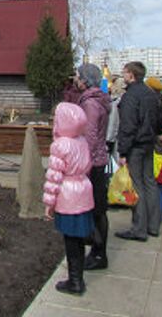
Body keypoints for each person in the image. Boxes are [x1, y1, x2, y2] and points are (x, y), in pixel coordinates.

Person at [43, 102, 95, 295]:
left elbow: (53, 177)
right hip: (83, 191)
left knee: (70, 240)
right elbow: (88, 165)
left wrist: (48, 204)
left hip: (67, 196)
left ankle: (75, 281)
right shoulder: (82, 141)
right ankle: (77, 277)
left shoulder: (60, 145)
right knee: (78, 239)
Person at [115, 61, 161, 241]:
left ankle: (139, 229)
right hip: (149, 143)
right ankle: (153, 225)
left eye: (125, 72)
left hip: (135, 145)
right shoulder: (151, 94)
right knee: (150, 182)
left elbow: (128, 126)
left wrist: (123, 152)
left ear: (131, 75)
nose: (123, 75)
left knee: (136, 185)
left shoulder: (130, 97)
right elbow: (158, 120)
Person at [73, 64, 112, 270]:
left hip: (92, 163)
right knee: (99, 210)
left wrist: (81, 166)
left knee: (95, 210)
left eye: (78, 76)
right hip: (99, 160)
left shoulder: (90, 104)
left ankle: (98, 254)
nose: (75, 79)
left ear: (85, 80)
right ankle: (98, 251)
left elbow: (89, 138)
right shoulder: (100, 100)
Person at [145, 76, 162, 155]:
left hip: (153, 133)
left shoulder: (152, 100)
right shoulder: (160, 98)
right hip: (157, 132)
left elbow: (158, 118)